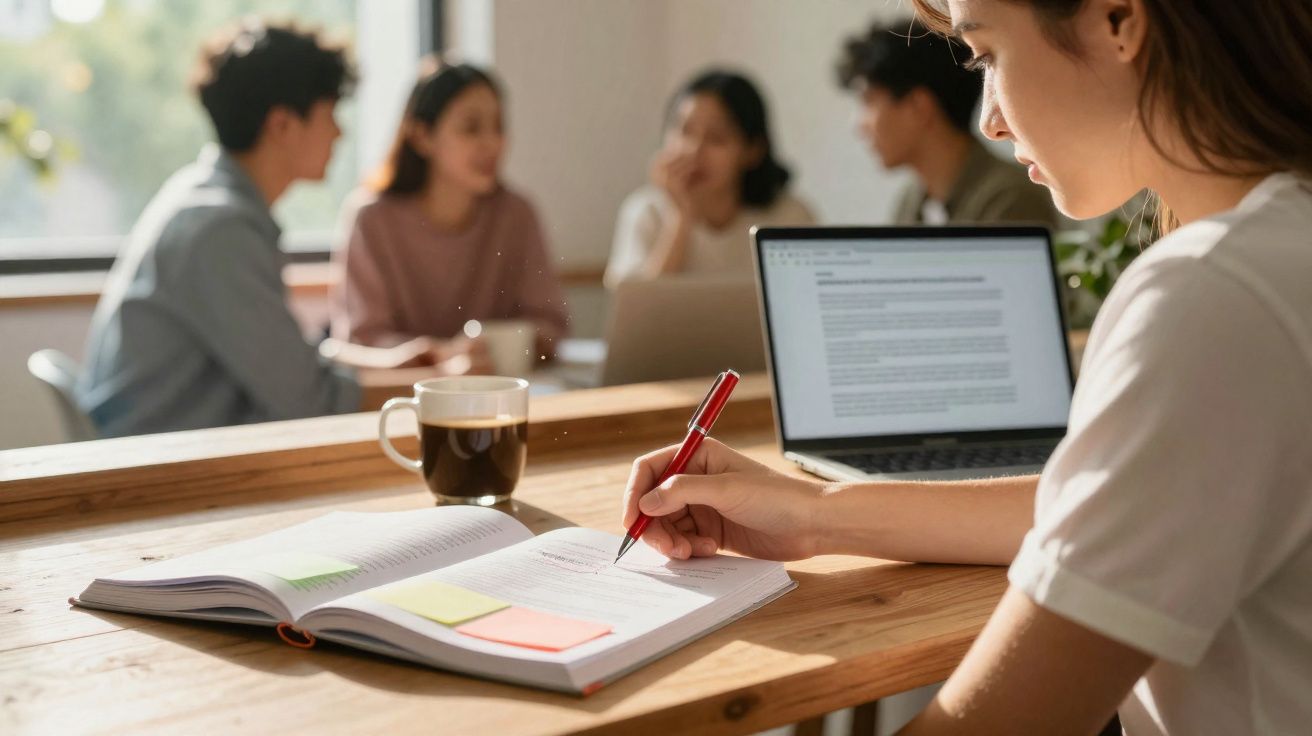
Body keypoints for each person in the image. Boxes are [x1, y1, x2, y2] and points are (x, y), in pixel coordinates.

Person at [623, 1, 1312, 733]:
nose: (988, 120)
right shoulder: (1277, 250)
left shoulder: (1212, 297)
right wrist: (811, 515)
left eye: (985, 56)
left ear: (1119, 20)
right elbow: (1079, 508)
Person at [78, 22, 453, 438]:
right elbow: (309, 401)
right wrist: (449, 387)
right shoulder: (220, 233)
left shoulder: (205, 199)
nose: (339, 132)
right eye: (329, 114)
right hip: (154, 467)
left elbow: (289, 362)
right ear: (282, 125)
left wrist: (387, 363)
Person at [331, 58, 568, 362]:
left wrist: (498, 346)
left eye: (498, 126)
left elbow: (551, 324)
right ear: (422, 137)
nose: (492, 143)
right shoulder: (371, 219)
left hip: (500, 391)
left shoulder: (516, 214)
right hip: (406, 395)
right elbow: (362, 338)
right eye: (471, 128)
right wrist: (442, 356)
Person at [604, 70, 815, 288]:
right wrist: (680, 219)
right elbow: (638, 312)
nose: (694, 150)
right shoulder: (646, 212)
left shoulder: (790, 216)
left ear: (753, 150)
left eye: (716, 138)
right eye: (684, 131)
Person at [839, 18, 1057, 228]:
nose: (860, 125)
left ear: (918, 107)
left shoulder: (1010, 199)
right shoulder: (910, 202)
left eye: (868, 102)